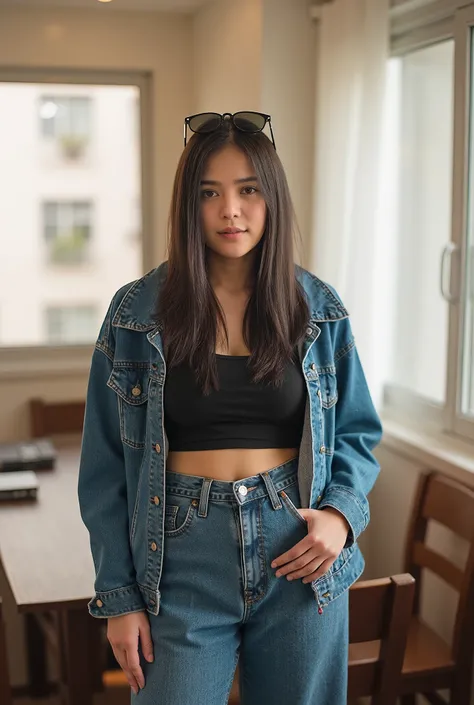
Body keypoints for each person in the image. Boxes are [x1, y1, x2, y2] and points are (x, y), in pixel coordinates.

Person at [78, 111, 383, 705]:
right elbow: (103, 469)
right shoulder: (136, 313)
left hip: (297, 550)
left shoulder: (316, 308)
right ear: (187, 206)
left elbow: (357, 433)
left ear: (272, 199)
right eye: (209, 193)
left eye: (248, 190)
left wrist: (342, 517)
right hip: (178, 558)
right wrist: (119, 597)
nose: (230, 211)